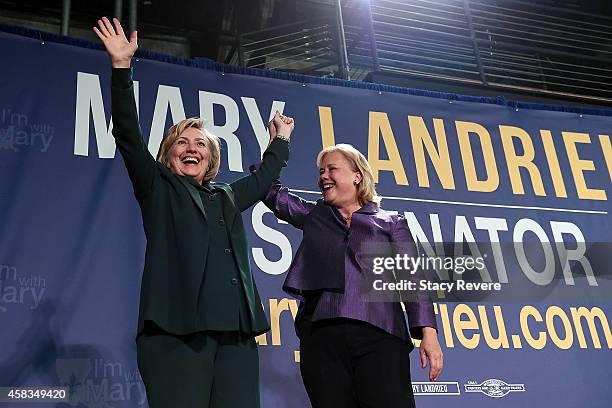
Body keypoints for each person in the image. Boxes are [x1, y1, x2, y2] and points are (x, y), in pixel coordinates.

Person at [93, 17, 295, 408]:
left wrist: (280, 140)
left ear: (211, 159)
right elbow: (129, 137)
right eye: (181, 142)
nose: (192, 147)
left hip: (236, 337)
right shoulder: (158, 188)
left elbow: (265, 175)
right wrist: (121, 69)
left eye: (200, 143)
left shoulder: (227, 195)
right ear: (169, 156)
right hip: (176, 336)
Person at [263, 144, 443, 408]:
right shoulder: (315, 215)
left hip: (381, 335)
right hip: (322, 338)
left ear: (357, 175)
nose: (323, 176)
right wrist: (279, 142)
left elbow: (411, 276)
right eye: (321, 171)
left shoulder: (390, 221)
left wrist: (428, 333)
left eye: (332, 169)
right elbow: (269, 190)